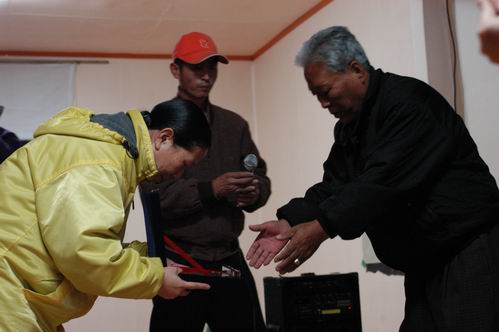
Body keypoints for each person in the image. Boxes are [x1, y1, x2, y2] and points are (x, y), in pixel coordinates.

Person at [246, 26, 499, 331]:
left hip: (467, 249)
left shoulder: (409, 104)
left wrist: (322, 227)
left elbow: (380, 184)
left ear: (357, 70)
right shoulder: (351, 126)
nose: (323, 104)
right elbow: (335, 185)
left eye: (326, 92)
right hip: (424, 258)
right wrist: (290, 220)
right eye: (316, 96)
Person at [0, 99, 212, 332]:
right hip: (9, 296)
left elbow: (80, 239)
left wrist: (149, 255)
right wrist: (156, 279)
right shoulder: (98, 161)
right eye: (184, 164)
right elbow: (84, 254)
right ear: (164, 138)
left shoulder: (110, 152)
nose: (179, 175)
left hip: (20, 294)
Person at [141, 32, 270, 332]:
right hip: (179, 260)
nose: (206, 75)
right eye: (197, 67)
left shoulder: (234, 124)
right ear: (176, 70)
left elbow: (261, 178)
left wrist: (254, 193)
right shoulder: (159, 121)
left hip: (228, 256)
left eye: (212, 67)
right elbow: (153, 195)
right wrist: (212, 189)